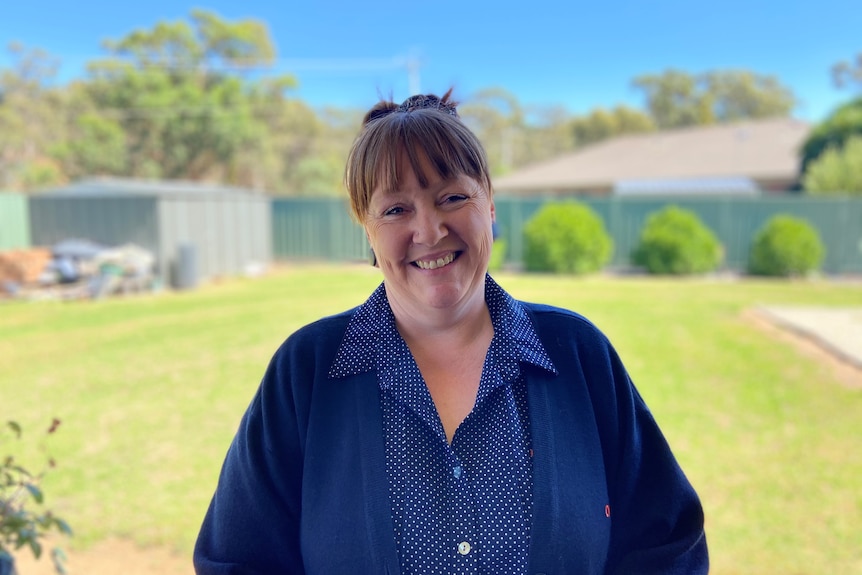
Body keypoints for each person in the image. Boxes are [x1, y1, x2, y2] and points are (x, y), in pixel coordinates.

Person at [193, 91, 709, 574]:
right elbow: (237, 560)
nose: (430, 230)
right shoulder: (306, 371)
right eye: (396, 209)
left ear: (490, 205)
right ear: (367, 229)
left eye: (452, 197)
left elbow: (668, 544)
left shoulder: (578, 354)